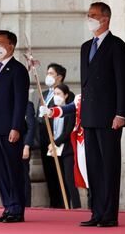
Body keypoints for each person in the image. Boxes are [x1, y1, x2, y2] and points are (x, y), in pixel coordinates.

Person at [79, 2, 125, 227]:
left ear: (105, 19)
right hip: (90, 117)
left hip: (110, 118)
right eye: (88, 14)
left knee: (109, 165)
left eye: (93, 15)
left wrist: (121, 113)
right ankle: (97, 212)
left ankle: (109, 214)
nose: (89, 18)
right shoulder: (85, 47)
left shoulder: (117, 45)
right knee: (93, 166)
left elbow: (124, 82)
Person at [0, 30, 30, 223]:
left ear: (11, 46)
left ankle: (17, 209)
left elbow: (21, 101)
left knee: (13, 169)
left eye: (1, 43)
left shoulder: (18, 70)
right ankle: (7, 207)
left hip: (9, 129)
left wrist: (16, 127)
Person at [37, 63, 74, 208]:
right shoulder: (44, 94)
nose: (48, 76)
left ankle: (64, 204)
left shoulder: (67, 95)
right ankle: (54, 204)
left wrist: (57, 141)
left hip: (59, 141)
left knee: (62, 176)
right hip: (45, 140)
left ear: (59, 77)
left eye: (51, 73)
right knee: (50, 174)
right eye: (47, 73)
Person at [47, 83, 80, 208]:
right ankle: (63, 205)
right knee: (59, 180)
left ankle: (76, 206)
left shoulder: (70, 111)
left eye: (59, 94)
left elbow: (68, 132)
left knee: (69, 179)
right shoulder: (52, 111)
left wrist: (55, 142)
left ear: (66, 95)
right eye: (54, 94)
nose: (56, 96)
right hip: (54, 149)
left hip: (67, 149)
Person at [23, 101, 36, 207]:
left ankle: (26, 204)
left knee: (24, 176)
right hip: (9, 145)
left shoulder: (27, 105)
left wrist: (27, 146)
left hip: (23, 146)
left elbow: (31, 127)